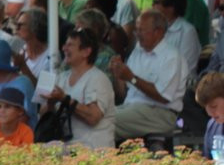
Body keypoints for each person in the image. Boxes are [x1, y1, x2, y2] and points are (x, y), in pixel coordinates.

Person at [109, 11, 186, 141]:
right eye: (136, 30)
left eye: (142, 30)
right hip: (132, 109)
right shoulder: (138, 52)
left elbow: (163, 97)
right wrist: (118, 74)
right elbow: (124, 93)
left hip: (160, 113)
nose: (137, 35)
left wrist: (131, 78)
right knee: (96, 116)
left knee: (104, 122)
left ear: (159, 32)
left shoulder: (171, 57)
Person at [46, 28, 116, 149]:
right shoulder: (61, 78)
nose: (64, 49)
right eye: (65, 45)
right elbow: (43, 115)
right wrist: (50, 102)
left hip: (93, 150)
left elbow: (93, 117)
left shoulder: (98, 79)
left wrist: (64, 99)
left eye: (70, 45)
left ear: (86, 52)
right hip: (67, 146)